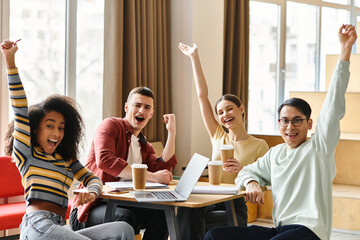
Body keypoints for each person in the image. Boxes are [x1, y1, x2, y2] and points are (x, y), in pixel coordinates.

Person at [204, 24, 357, 240]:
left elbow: (333, 103)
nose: (290, 127)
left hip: (310, 231)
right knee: (214, 235)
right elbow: (247, 172)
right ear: (278, 124)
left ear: (310, 123)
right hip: (280, 230)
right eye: (284, 121)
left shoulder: (319, 147)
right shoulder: (275, 154)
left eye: (297, 121)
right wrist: (252, 182)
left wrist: (345, 51)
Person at [1, 40, 134, 240]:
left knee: (123, 229)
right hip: (37, 226)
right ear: (35, 129)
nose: (56, 133)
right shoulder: (26, 154)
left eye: (61, 128)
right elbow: (20, 108)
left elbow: (93, 179)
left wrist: (92, 192)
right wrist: (10, 60)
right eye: (50, 126)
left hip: (60, 227)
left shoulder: (66, 159)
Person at [176, 42, 269, 240]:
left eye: (229, 109)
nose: (224, 114)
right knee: (186, 209)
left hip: (235, 204)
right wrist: (194, 57)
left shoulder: (259, 145)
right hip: (211, 198)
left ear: (241, 109)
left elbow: (263, 184)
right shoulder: (218, 135)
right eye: (220, 112)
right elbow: (202, 96)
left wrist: (242, 170)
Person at [70, 86, 177, 240]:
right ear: (126, 107)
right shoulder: (110, 125)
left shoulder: (144, 145)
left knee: (162, 214)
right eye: (137, 105)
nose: (142, 111)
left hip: (123, 205)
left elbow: (162, 168)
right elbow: (105, 160)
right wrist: (153, 177)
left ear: (151, 114)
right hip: (90, 208)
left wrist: (171, 132)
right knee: (125, 218)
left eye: (147, 107)